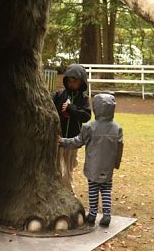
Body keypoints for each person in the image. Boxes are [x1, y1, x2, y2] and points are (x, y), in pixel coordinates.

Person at [59, 93, 123, 227]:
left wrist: (63, 142)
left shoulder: (89, 127)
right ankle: (106, 214)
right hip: (107, 167)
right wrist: (116, 164)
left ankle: (93, 214)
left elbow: (77, 141)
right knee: (106, 190)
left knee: (93, 189)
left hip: (92, 166)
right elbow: (119, 148)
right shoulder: (117, 128)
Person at [52, 64, 92, 190]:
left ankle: (65, 189)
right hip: (60, 138)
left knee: (70, 165)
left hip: (73, 138)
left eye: (75, 82)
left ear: (81, 82)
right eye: (69, 81)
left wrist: (71, 109)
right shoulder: (59, 96)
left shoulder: (83, 99)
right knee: (61, 167)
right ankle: (68, 191)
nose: (71, 84)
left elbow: (86, 116)